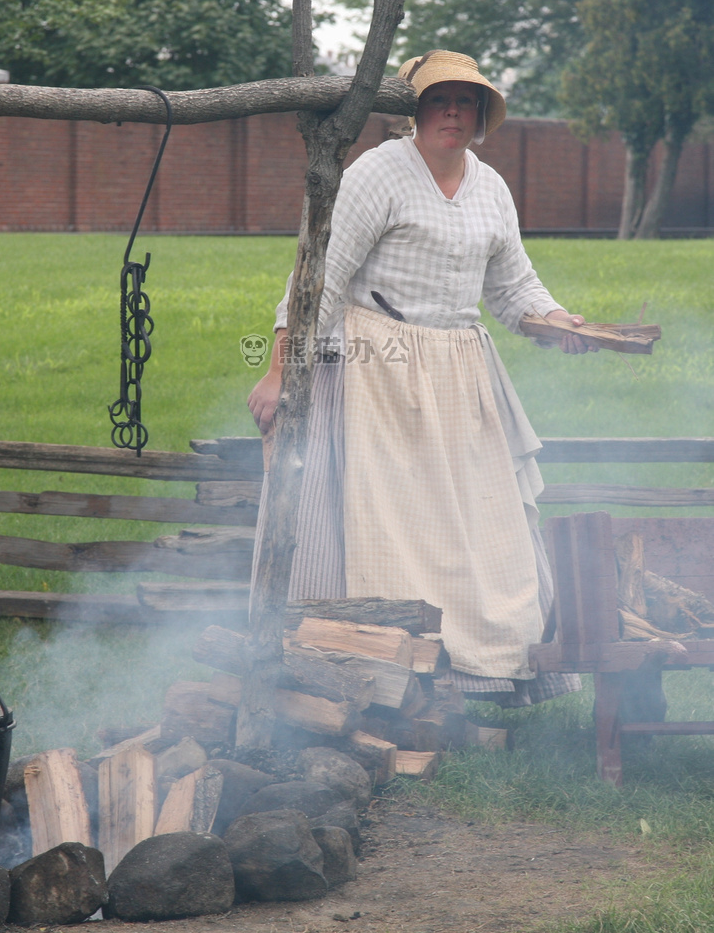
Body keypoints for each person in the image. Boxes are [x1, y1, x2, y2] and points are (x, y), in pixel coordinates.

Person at [248, 50, 589, 705]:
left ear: (482, 115)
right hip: (379, 371)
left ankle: (486, 668)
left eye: (466, 102)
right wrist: (276, 371)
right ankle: (393, 673)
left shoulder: (491, 188)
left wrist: (553, 320)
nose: (452, 112)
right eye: (440, 99)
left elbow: (514, 283)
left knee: (489, 529)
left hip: (461, 374)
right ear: (415, 109)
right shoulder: (378, 174)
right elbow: (318, 274)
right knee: (387, 531)